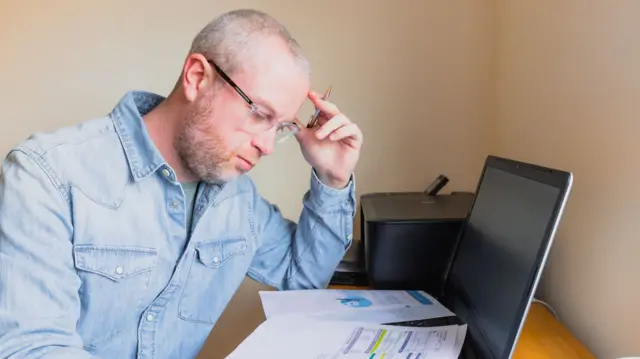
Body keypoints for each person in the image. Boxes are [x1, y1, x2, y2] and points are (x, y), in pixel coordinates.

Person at [0, 9, 362, 359]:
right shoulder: (46, 175)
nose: (267, 146)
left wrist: (333, 178)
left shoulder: (238, 200)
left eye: (280, 127)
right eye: (259, 114)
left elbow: (302, 278)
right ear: (196, 77)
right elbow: (32, 348)